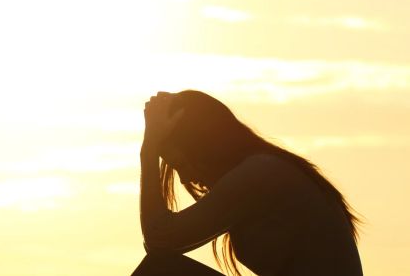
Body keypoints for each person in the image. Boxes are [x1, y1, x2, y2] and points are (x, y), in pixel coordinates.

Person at [132, 90, 362, 276]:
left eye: (182, 165)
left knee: (161, 270)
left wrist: (148, 151)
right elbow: (160, 241)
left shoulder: (259, 174)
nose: (185, 179)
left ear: (202, 148)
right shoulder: (262, 170)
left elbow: (159, 239)